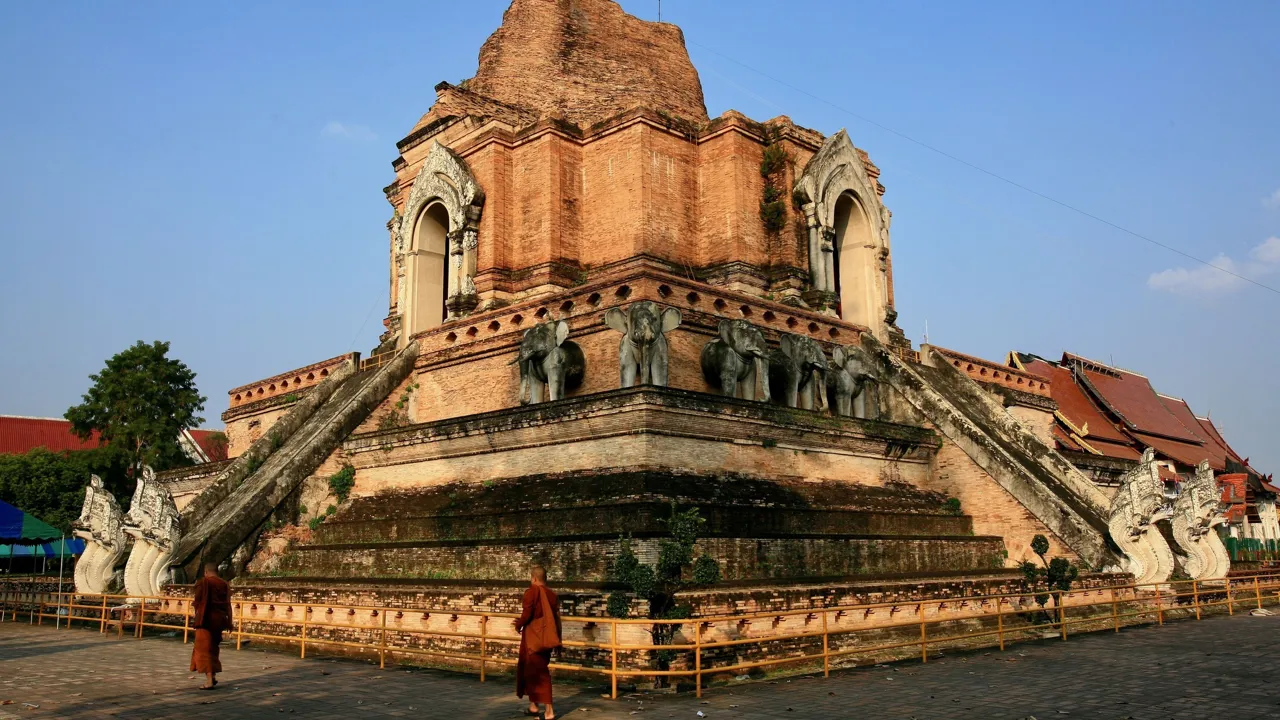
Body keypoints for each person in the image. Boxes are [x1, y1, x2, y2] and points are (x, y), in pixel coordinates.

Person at [515, 565, 562, 719]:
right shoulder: (552, 595)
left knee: (541, 674)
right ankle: (533, 706)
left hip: (533, 640)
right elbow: (556, 620)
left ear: (533, 578)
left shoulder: (531, 592)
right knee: (533, 672)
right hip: (547, 639)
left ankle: (549, 711)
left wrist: (518, 624)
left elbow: (527, 614)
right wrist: (558, 640)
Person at [190, 563, 233, 690]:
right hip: (219, 620)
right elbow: (228, 605)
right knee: (213, 648)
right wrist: (230, 622)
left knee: (203, 650)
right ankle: (212, 677)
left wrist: (197, 614)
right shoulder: (224, 584)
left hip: (206, 620)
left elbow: (197, 602)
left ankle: (209, 681)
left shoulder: (204, 582)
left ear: (206, 572)